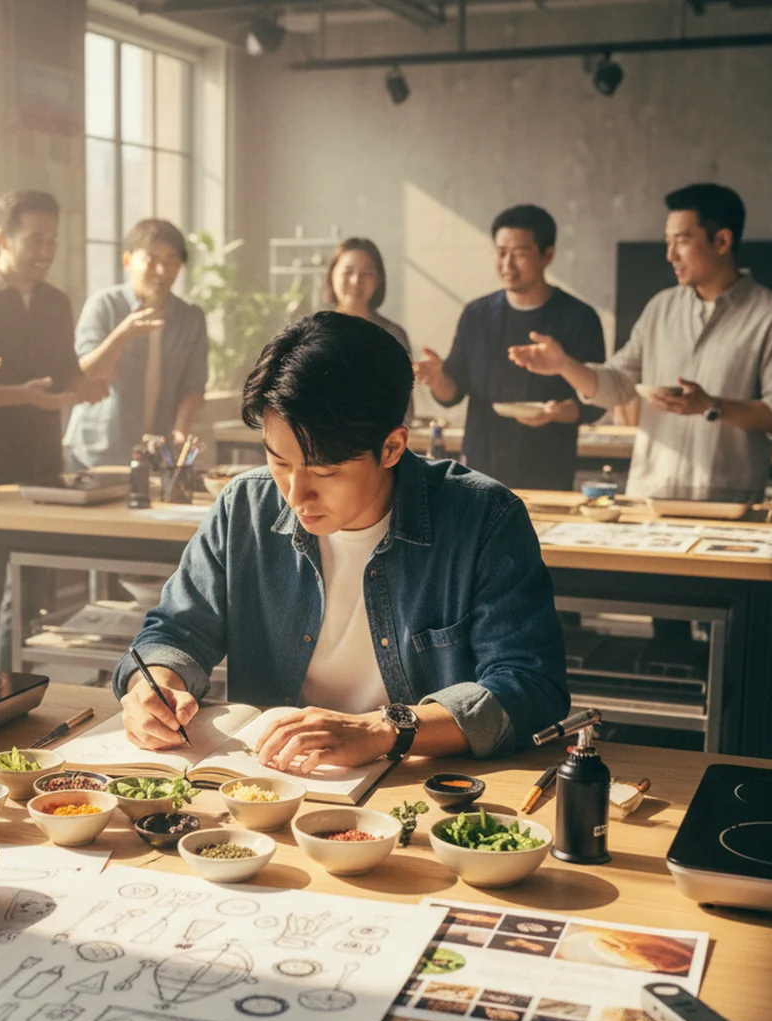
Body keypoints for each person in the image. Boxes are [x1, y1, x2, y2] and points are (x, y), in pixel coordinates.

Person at [111, 311, 570, 771]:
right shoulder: (245, 508)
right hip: (273, 787)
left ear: (392, 447)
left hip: (427, 788)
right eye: (279, 461)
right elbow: (176, 631)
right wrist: (153, 686)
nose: (295, 494)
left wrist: (384, 729)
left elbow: (529, 685)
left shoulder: (484, 519)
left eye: (324, 471)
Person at [509, 184, 772, 501]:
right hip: (650, 498)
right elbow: (619, 383)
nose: (669, 256)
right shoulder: (660, 308)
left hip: (727, 504)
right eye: (667, 242)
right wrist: (565, 365)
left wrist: (711, 406)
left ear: (721, 241)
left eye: (681, 241)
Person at [0, 189, 106, 671]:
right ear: (1, 238)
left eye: (53, 241)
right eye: (35, 240)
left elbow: (65, 372)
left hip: (43, 468)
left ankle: (14, 699)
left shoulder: (56, 302)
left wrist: (88, 383)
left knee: (31, 605)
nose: (46, 252)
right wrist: (26, 395)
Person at [412, 205, 606, 491]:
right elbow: (453, 393)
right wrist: (438, 378)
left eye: (520, 253)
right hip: (479, 471)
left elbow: (595, 402)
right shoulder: (477, 315)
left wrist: (561, 411)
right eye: (501, 252)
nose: (507, 264)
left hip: (548, 470)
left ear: (547, 255)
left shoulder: (579, 317)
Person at [65, 219, 209, 469]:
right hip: (98, 452)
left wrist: (180, 432)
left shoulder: (191, 317)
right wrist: (123, 333)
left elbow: (193, 386)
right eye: (151, 260)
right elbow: (87, 371)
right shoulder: (104, 305)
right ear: (128, 260)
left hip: (157, 453)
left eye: (171, 261)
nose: (162, 271)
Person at [324, 237, 414, 421]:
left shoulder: (393, 335)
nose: (356, 281)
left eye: (367, 273)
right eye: (348, 271)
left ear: (379, 280)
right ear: (331, 275)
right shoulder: (314, 332)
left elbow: (403, 409)